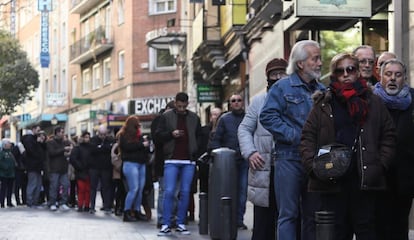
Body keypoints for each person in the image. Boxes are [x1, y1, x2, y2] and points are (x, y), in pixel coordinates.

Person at [300, 53, 396, 239]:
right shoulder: (323, 103)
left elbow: (389, 136)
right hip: (332, 181)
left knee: (366, 229)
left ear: (358, 72)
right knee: (337, 232)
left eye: (350, 69)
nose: (345, 74)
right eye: (340, 70)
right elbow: (307, 138)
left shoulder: (373, 102)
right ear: (334, 74)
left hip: (363, 180)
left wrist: (380, 165)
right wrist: (314, 167)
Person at [259, 40, 326, 240]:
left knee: (312, 215)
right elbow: (267, 116)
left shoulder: (322, 89)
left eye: (320, 58)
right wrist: (295, 136)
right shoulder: (281, 87)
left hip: (314, 160)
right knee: (288, 214)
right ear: (300, 64)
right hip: (289, 158)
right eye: (315, 59)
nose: (320, 63)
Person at [238, 57, 287, 240]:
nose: (278, 77)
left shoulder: (296, 98)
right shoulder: (258, 101)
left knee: (288, 218)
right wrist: (250, 152)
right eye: (274, 74)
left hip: (289, 167)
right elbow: (244, 128)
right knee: (263, 223)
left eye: (282, 73)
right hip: (264, 168)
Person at [373, 58, 414, 240]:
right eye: (388, 74)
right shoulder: (371, 101)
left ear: (404, 78)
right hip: (378, 174)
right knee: (378, 225)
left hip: (406, 175)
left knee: (400, 225)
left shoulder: (412, 99)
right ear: (380, 77)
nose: (392, 79)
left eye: (398, 75)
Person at [156, 92, 201, 236]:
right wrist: (171, 134)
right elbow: (158, 135)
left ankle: (181, 223)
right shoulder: (166, 117)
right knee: (169, 192)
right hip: (171, 159)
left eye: (183, 106)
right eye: (179, 105)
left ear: (187, 103)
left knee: (185, 192)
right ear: (175, 103)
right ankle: (166, 223)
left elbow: (199, 136)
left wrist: (195, 153)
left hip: (188, 160)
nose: (181, 108)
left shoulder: (194, 118)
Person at [210, 93, 248, 229]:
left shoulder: (249, 118)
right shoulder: (224, 119)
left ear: (243, 102)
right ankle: (228, 219)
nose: (236, 102)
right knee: (228, 191)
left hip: (245, 160)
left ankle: (238, 220)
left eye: (239, 100)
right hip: (228, 162)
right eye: (233, 101)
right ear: (230, 104)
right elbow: (216, 140)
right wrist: (221, 156)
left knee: (242, 192)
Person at [117, 115, 150, 222]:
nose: (138, 128)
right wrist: (141, 145)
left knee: (140, 189)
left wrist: (145, 145)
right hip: (130, 164)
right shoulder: (123, 136)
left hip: (141, 163)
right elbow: (127, 148)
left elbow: (144, 149)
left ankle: (137, 210)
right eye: (137, 125)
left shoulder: (140, 136)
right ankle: (126, 211)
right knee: (134, 188)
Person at [151, 100, 176, 228]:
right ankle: (162, 218)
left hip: (176, 160)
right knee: (164, 191)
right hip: (163, 161)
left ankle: (170, 217)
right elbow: (157, 139)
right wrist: (171, 134)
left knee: (173, 192)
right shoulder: (159, 121)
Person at [46, 126, 73, 211]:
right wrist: (63, 149)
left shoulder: (65, 142)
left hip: (63, 168)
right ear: (57, 133)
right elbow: (52, 153)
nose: (63, 134)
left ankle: (63, 202)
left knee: (66, 185)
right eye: (61, 132)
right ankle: (52, 202)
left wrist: (69, 151)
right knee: (54, 186)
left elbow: (67, 152)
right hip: (54, 168)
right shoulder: (51, 143)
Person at [89, 125, 115, 214]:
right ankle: (92, 206)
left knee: (106, 187)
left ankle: (106, 206)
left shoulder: (110, 140)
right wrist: (103, 148)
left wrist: (100, 147)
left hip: (106, 167)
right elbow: (93, 150)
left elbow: (110, 148)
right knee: (93, 187)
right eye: (101, 134)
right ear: (98, 133)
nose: (103, 136)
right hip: (94, 167)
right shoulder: (93, 140)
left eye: (104, 134)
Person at [198, 107, 222, 194]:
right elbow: (199, 146)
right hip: (205, 165)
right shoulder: (203, 130)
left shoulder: (223, 130)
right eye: (214, 115)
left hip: (219, 163)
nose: (215, 117)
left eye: (218, 115)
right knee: (205, 189)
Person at [21, 125, 45, 208]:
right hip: (32, 165)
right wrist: (37, 143)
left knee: (38, 184)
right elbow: (31, 151)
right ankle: (30, 201)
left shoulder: (35, 139)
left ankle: (35, 201)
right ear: (33, 129)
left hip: (38, 166)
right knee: (33, 184)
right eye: (38, 130)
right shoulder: (29, 139)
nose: (39, 132)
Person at [69, 131, 92, 212]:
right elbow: (73, 159)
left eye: (88, 137)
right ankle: (80, 205)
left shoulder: (91, 148)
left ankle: (86, 205)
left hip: (88, 171)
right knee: (81, 189)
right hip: (81, 171)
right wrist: (80, 166)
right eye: (86, 137)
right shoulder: (78, 148)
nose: (87, 139)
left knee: (87, 189)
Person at [0, 138, 16, 208]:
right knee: (3, 189)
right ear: (5, 145)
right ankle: (2, 202)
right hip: (4, 174)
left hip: (11, 174)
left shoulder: (10, 153)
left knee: (10, 188)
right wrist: (5, 167)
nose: (10, 144)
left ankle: (9, 202)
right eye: (8, 143)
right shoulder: (2, 153)